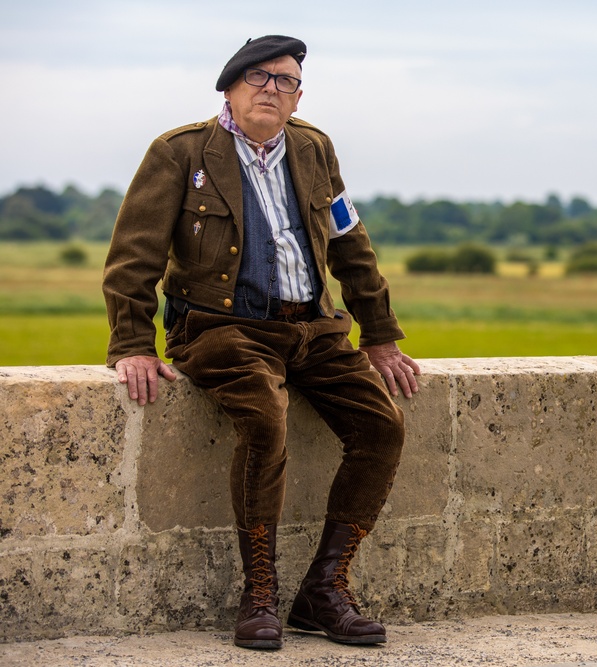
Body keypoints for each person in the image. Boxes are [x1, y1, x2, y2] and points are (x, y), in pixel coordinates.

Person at [102, 35, 420, 651]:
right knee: (266, 421)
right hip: (220, 329)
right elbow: (131, 258)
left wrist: (379, 333)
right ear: (231, 87)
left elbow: (351, 245)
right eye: (261, 78)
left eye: (288, 81)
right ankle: (260, 593)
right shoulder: (179, 152)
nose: (273, 89)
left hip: (313, 328)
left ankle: (325, 590)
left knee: (381, 424)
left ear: (299, 97)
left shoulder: (314, 148)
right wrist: (133, 344)